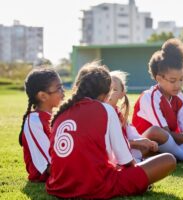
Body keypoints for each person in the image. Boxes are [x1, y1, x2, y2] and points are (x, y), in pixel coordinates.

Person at [46, 62, 176, 199]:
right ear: (105, 93)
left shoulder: (60, 114)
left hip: (58, 186)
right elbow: (125, 160)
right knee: (168, 160)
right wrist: (137, 177)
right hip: (95, 186)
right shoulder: (105, 109)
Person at [108, 70, 183, 162]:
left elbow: (132, 134)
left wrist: (145, 142)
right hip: (115, 155)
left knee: (157, 153)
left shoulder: (120, 114)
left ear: (122, 94)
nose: (109, 93)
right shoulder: (102, 115)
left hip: (128, 151)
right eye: (106, 89)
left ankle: (179, 154)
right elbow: (111, 143)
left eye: (114, 90)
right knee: (166, 158)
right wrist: (137, 142)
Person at [19, 68, 64, 182]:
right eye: (59, 88)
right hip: (48, 173)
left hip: (63, 166)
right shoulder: (34, 121)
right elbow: (49, 166)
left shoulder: (59, 115)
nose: (63, 92)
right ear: (43, 96)